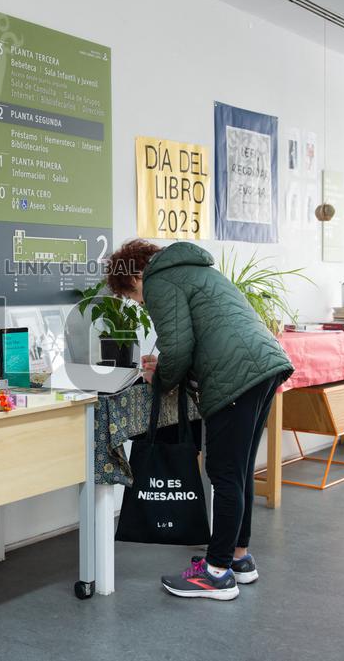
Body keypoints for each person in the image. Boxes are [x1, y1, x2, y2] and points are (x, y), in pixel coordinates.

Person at [107, 239, 294, 601]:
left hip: (235, 376)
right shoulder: (197, 270)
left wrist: (158, 378)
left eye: (132, 297)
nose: (138, 303)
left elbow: (176, 347)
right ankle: (238, 558)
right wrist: (168, 368)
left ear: (134, 275)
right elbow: (200, 338)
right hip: (265, 365)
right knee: (238, 473)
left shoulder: (159, 281)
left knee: (224, 475)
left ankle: (216, 573)